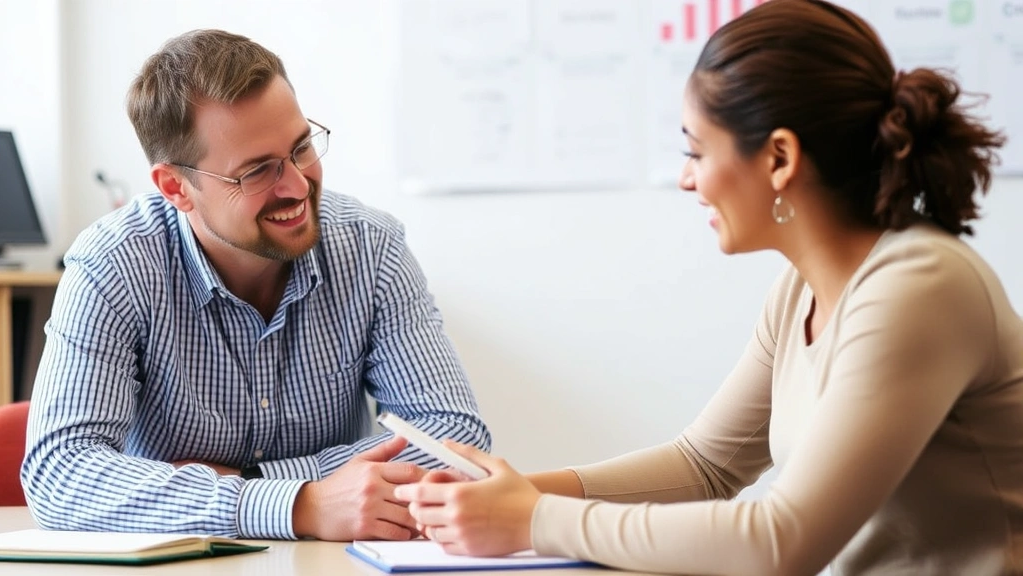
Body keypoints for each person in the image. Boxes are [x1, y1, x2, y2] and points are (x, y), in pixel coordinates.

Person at [395, 1, 1023, 574]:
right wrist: (510, 495)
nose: (686, 180)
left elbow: (782, 543)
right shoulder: (799, 290)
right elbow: (705, 466)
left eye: (696, 151)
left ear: (779, 158)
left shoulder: (921, 287)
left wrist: (531, 519)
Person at [22, 29, 490, 542]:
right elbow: (59, 476)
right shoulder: (114, 265)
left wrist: (258, 484)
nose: (296, 185)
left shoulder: (370, 247)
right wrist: (301, 506)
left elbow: (456, 439)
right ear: (176, 187)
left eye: (301, 147)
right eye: (257, 171)